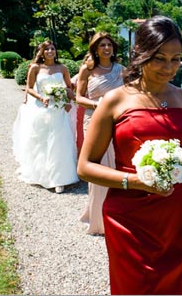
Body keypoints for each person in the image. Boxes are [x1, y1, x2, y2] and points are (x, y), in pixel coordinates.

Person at [77, 16, 182, 295]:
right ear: (140, 54)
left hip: (176, 218)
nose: (169, 68)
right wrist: (136, 181)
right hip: (129, 219)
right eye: (160, 58)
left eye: (176, 59)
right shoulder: (115, 100)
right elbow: (85, 166)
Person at [12, 40, 79, 194]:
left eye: (52, 48)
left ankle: (59, 178)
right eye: (47, 49)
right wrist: (41, 98)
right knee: (41, 140)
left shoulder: (62, 68)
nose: (50, 51)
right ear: (41, 52)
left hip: (59, 109)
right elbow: (28, 88)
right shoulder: (35, 68)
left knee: (59, 140)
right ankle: (41, 174)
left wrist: (68, 101)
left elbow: (68, 88)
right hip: (41, 108)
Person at [75, 32, 124, 235]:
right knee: (99, 165)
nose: (106, 48)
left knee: (116, 164)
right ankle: (97, 219)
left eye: (109, 45)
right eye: (102, 45)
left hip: (118, 121)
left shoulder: (121, 70)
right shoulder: (87, 70)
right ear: (95, 49)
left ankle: (117, 214)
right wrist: (99, 104)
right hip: (93, 120)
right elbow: (78, 98)